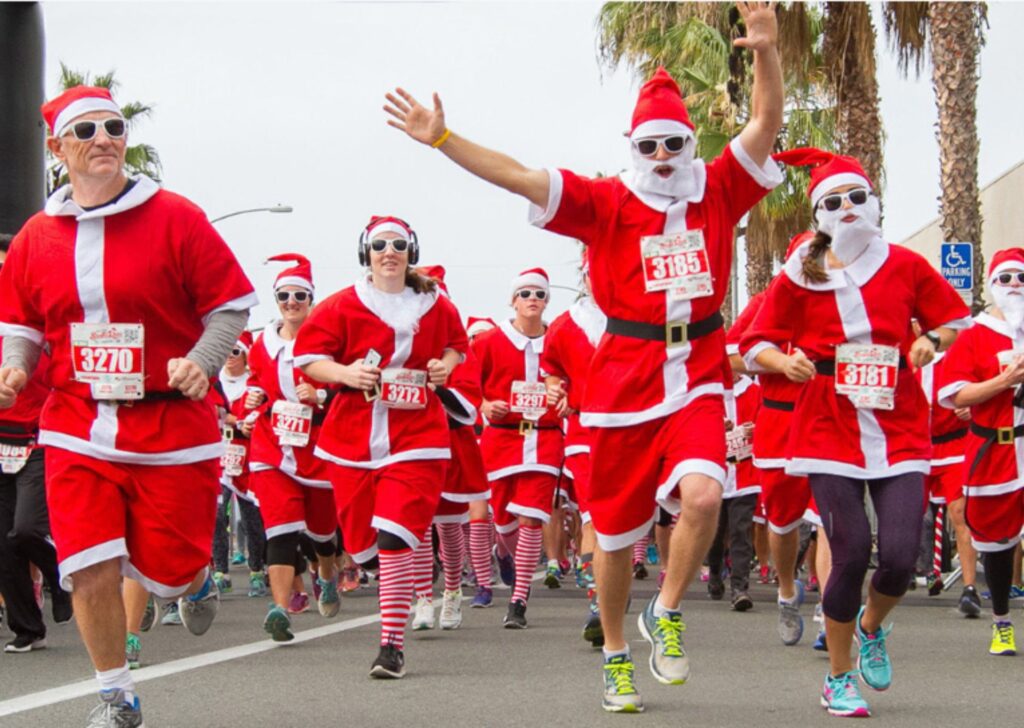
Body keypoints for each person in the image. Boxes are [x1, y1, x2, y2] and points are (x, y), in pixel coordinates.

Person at [386, 1, 782, 712]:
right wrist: (442, 136)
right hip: (622, 382)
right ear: (632, 146)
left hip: (695, 370)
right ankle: (618, 653)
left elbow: (765, 125)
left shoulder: (719, 189)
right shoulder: (605, 201)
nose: (663, 159)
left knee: (704, 496)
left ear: (691, 144)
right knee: (618, 534)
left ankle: (665, 612)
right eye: (649, 146)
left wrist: (766, 52)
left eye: (674, 145)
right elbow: (518, 175)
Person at [0, 85, 256, 727]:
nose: (103, 140)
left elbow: (227, 304)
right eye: (84, 132)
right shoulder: (36, 236)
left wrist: (200, 361)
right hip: (77, 423)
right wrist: (15, 367)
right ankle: (117, 695)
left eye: (112, 127)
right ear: (58, 149)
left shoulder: (176, 216)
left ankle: (193, 580)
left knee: (168, 570)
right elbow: (23, 324)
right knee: (88, 564)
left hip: (171, 422)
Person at [741, 147, 971, 717]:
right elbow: (754, 343)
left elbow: (954, 319)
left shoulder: (906, 264)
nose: (847, 210)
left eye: (856, 198)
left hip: (898, 423)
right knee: (849, 553)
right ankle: (838, 677)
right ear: (819, 214)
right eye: (833, 202)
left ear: (875, 203)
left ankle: (871, 626)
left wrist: (930, 342)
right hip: (827, 423)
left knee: (896, 556)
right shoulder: (801, 271)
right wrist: (782, 362)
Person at [294, 215, 466, 679]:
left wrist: (442, 367)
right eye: (378, 245)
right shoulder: (341, 305)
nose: (388, 252)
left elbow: (456, 345)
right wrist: (346, 374)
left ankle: (390, 646)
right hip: (353, 435)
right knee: (362, 542)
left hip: (418, 435)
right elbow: (309, 359)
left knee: (392, 536)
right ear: (365, 253)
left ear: (411, 250)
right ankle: (402, 560)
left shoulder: (433, 301)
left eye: (397, 244)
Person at [243, 254, 340, 642]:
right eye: (284, 296)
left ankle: (328, 575)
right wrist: (251, 400)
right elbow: (254, 384)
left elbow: (347, 386)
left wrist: (321, 392)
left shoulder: (328, 340)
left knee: (321, 532)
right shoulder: (260, 343)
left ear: (311, 300)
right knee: (280, 529)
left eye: (300, 295)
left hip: (318, 447)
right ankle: (280, 609)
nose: (292, 302)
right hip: (272, 445)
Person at [938, 247, 1024, 656]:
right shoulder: (976, 333)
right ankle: (1002, 622)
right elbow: (955, 394)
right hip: (996, 449)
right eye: (1005, 278)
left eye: (1021, 278)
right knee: (998, 541)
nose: (1014, 286)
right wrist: (1004, 381)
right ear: (992, 284)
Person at [471, 268, 564, 630]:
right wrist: (482, 404)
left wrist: (565, 396)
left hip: (545, 437)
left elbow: (575, 377)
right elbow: (466, 383)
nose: (532, 300)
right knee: (504, 518)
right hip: (502, 438)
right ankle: (502, 552)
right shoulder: (489, 342)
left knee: (530, 518)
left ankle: (519, 599)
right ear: (513, 300)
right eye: (525, 294)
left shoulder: (558, 339)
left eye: (539, 295)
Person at [0, 233, 73, 655]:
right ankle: (27, 627)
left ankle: (62, 575)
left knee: (25, 528)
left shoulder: (46, 316)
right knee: (2, 542)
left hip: (39, 437)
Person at [542, 252, 607, 645]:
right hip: (583, 429)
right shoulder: (566, 326)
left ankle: (609, 586)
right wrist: (556, 390)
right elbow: (553, 374)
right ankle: (598, 600)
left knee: (617, 519)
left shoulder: (638, 319)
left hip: (630, 429)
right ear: (584, 277)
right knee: (593, 513)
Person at [914, 328, 979, 617]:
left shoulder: (958, 357)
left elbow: (983, 390)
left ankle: (969, 588)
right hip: (915, 448)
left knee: (960, 513)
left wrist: (972, 408)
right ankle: (911, 572)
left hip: (953, 447)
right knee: (909, 514)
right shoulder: (904, 360)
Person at [212, 331, 267, 600]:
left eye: (235, 352)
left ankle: (257, 569)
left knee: (251, 518)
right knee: (216, 516)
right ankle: (220, 572)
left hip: (248, 457)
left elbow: (262, 412)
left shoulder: (254, 384)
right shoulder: (214, 380)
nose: (229, 358)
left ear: (245, 354)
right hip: (218, 456)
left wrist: (246, 421)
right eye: (225, 351)